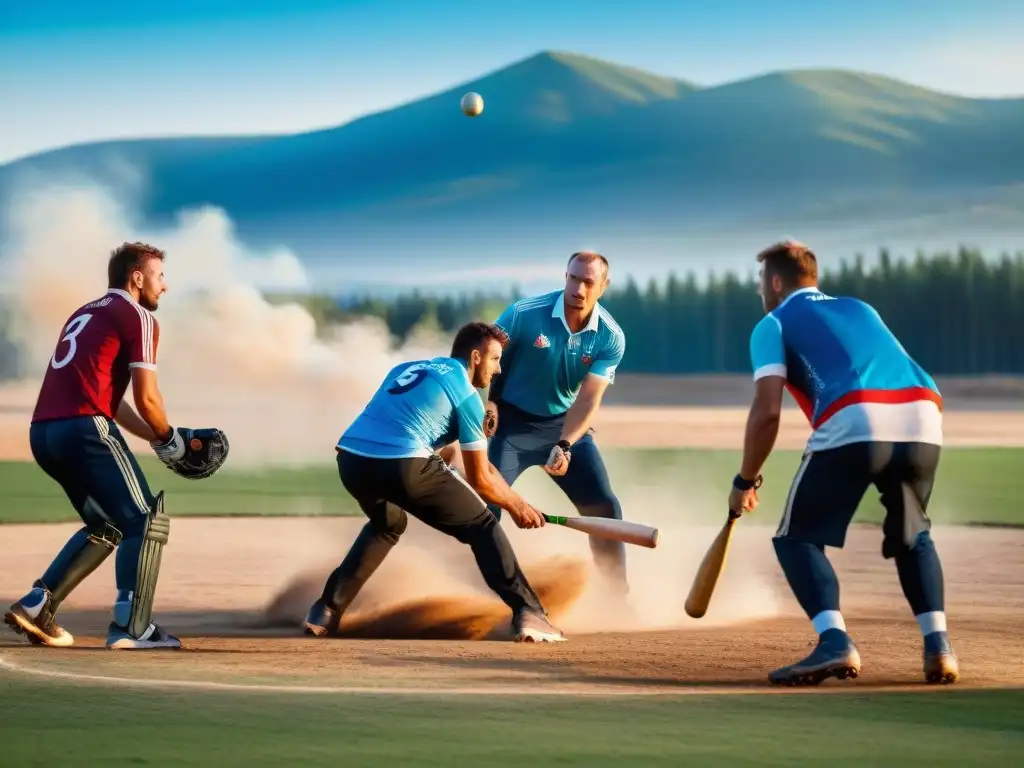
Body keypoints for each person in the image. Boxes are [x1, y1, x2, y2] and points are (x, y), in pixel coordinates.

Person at [729, 239, 959, 686]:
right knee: (914, 533)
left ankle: (834, 641)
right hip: (924, 415)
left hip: (855, 415)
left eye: (761, 282)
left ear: (775, 281)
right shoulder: (860, 308)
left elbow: (767, 412)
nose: (761, 292)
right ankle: (939, 647)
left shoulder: (773, 323)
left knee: (795, 537)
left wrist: (746, 479)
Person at [3, 242, 228, 651]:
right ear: (137, 277)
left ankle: (38, 605)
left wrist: (157, 441)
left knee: (107, 525)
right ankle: (132, 627)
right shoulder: (138, 316)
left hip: (45, 432)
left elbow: (112, 402)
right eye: (160, 276)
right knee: (144, 519)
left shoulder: (85, 312)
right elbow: (147, 399)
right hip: (85, 428)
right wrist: (171, 439)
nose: (165, 286)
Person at [303, 321, 565, 643]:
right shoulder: (467, 396)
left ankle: (325, 610)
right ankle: (530, 613)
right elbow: (481, 480)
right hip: (404, 464)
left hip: (352, 459)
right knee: (483, 526)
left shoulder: (407, 368)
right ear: (476, 357)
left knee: (388, 522)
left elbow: (448, 452)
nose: (498, 370)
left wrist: (511, 498)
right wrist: (516, 505)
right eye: (496, 359)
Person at [482, 251, 630, 600]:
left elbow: (588, 399)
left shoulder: (610, 337)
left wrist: (565, 444)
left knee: (605, 509)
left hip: (563, 426)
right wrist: (488, 402)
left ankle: (616, 597)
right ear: (565, 277)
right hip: (509, 424)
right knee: (485, 509)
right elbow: (485, 357)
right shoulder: (522, 314)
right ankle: (491, 594)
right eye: (573, 278)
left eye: (588, 282)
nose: (578, 288)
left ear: (603, 287)